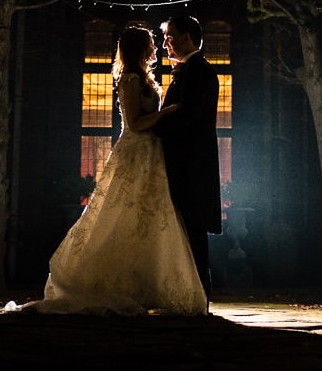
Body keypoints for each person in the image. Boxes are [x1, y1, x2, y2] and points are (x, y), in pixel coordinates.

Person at [22, 25, 208, 316]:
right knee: (123, 213)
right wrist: (165, 113)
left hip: (151, 154)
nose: (156, 48)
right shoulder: (130, 79)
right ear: (138, 49)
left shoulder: (144, 76)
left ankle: (146, 283)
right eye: (150, 44)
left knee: (148, 216)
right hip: (135, 151)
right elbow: (134, 123)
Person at [153, 15, 222, 306]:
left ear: (188, 38)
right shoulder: (189, 70)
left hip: (191, 166)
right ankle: (191, 294)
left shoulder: (199, 71)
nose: (165, 43)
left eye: (170, 36)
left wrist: (152, 127)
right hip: (185, 164)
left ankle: (199, 296)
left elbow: (188, 115)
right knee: (185, 228)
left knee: (192, 228)